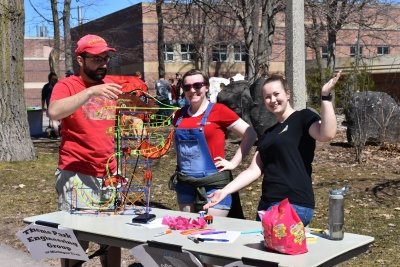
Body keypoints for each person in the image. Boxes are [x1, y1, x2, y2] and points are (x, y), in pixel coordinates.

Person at [204, 71, 342, 226]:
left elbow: (327, 134)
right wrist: (225, 191)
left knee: (278, 249)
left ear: (288, 94)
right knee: (261, 249)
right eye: (267, 97)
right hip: (267, 204)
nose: (272, 100)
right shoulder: (268, 134)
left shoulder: (303, 118)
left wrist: (325, 96)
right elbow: (253, 171)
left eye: (276, 94)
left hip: (294, 203)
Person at [48, 34, 123, 267]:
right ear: (80, 60)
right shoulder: (68, 85)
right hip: (77, 173)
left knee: (112, 238)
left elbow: (113, 128)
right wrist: (89, 93)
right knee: (76, 240)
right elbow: (54, 111)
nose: (103, 64)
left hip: (110, 174)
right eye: (96, 59)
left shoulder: (110, 87)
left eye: (105, 58)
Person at [170, 69, 257, 218]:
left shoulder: (219, 111)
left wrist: (234, 163)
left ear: (206, 87)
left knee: (209, 233)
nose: (192, 90)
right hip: (185, 183)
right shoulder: (179, 115)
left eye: (197, 85)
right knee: (188, 231)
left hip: (214, 184)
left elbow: (250, 133)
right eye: (187, 87)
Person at [41, 72, 60, 138]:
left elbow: (43, 98)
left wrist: (43, 107)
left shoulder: (46, 87)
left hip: (51, 106)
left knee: (54, 121)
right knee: (60, 121)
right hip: (60, 105)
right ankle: (60, 133)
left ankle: (57, 135)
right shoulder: (59, 85)